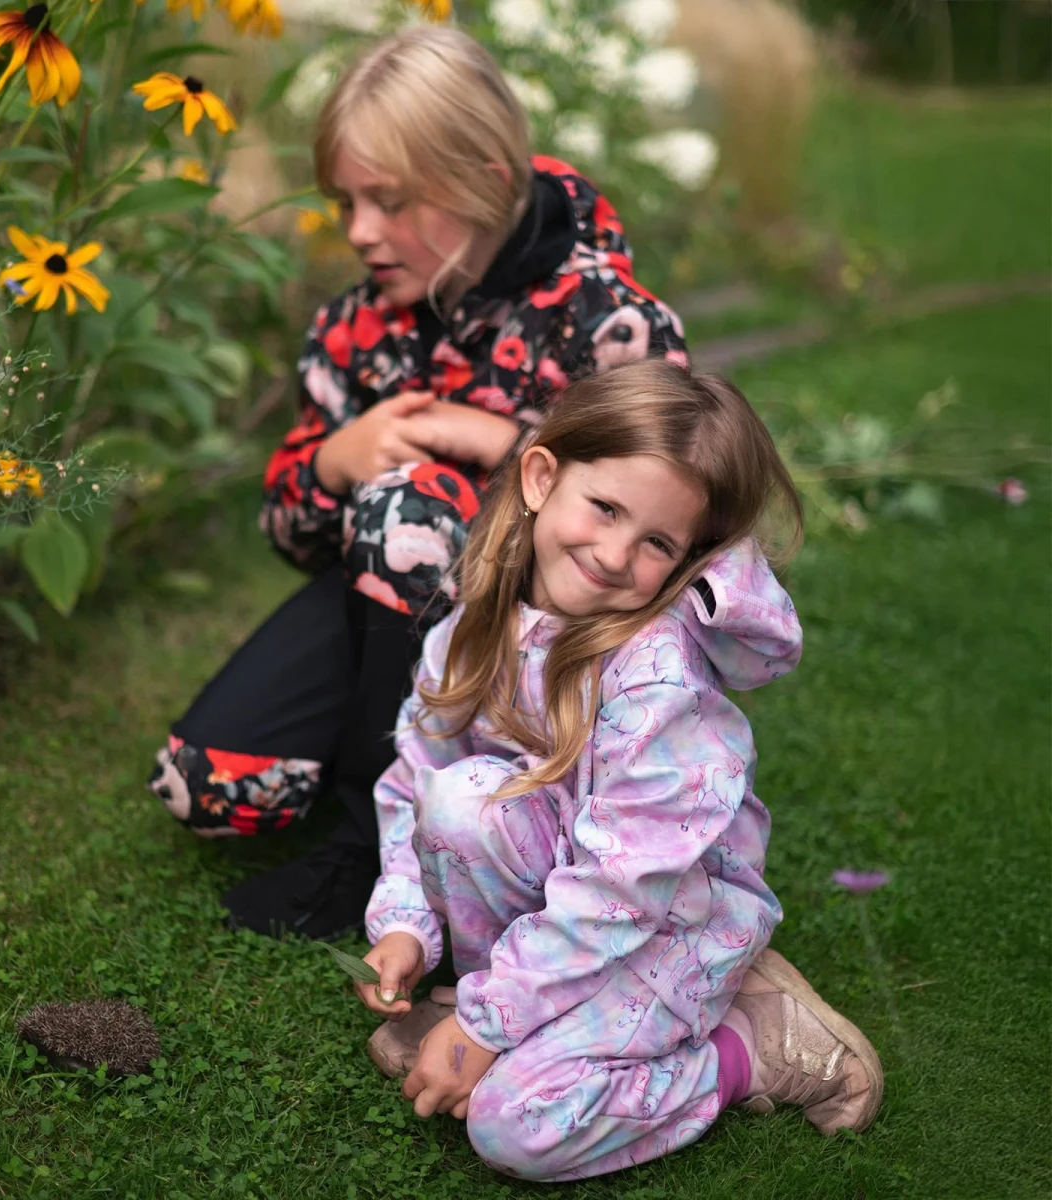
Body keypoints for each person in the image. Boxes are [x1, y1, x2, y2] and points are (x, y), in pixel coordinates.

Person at [147, 24, 688, 938]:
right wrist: (335, 459)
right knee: (203, 785)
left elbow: (669, 507)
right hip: (386, 609)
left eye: (388, 201)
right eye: (346, 201)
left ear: (481, 177)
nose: (359, 231)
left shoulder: (610, 321)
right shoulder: (354, 325)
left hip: (556, 643)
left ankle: (374, 844)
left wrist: (511, 445)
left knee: (408, 509)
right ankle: (396, 744)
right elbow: (291, 537)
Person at [354, 360, 884, 1181]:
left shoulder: (654, 680)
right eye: (605, 508)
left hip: (668, 925)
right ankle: (509, 1006)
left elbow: (623, 889)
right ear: (541, 478)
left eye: (657, 543)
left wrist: (486, 1026)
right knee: (460, 802)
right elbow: (412, 779)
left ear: (686, 559)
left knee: (515, 1126)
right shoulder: (477, 625)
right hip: (572, 915)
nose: (612, 554)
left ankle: (753, 1046)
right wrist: (405, 925)